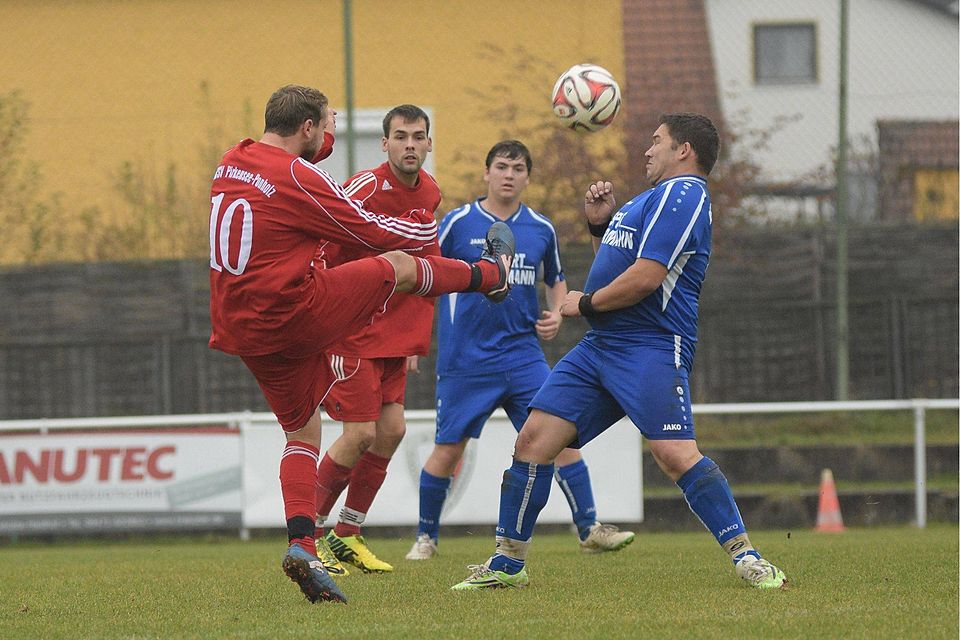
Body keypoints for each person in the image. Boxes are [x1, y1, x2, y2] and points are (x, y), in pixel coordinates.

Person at [451, 113, 788, 591]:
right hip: (602, 347)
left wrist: (583, 302)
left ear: (684, 150)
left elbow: (647, 277)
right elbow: (625, 258)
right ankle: (507, 565)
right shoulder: (652, 198)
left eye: (657, 142)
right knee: (533, 441)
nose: (647, 151)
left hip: (649, 345)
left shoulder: (685, 192)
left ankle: (747, 557)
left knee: (673, 454)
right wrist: (603, 223)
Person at [208, 85, 516, 604]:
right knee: (394, 267)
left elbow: (279, 192)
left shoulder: (231, 160)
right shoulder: (299, 177)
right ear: (307, 126)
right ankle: (491, 275)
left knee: (302, 430)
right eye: (326, 125)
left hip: (240, 327)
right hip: (294, 313)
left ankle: (305, 544)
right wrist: (451, 256)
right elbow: (372, 232)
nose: (330, 135)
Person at [405, 140, 635, 562]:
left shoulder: (541, 229)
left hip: (522, 356)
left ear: (528, 177)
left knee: (560, 436)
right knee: (449, 449)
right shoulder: (456, 223)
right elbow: (426, 277)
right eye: (502, 166)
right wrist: (412, 339)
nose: (509, 174)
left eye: (517, 168)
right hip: (466, 359)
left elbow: (557, 280)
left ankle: (589, 528)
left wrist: (556, 313)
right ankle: (426, 538)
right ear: (487, 173)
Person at [311, 105, 441, 576]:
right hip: (350, 329)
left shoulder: (429, 192)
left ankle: (347, 534)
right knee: (360, 433)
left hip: (390, 335)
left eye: (418, 136)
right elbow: (324, 242)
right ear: (384, 144)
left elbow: (424, 270)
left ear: (428, 145)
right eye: (401, 136)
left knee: (392, 431)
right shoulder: (365, 186)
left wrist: (411, 342)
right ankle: (309, 540)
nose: (410, 144)